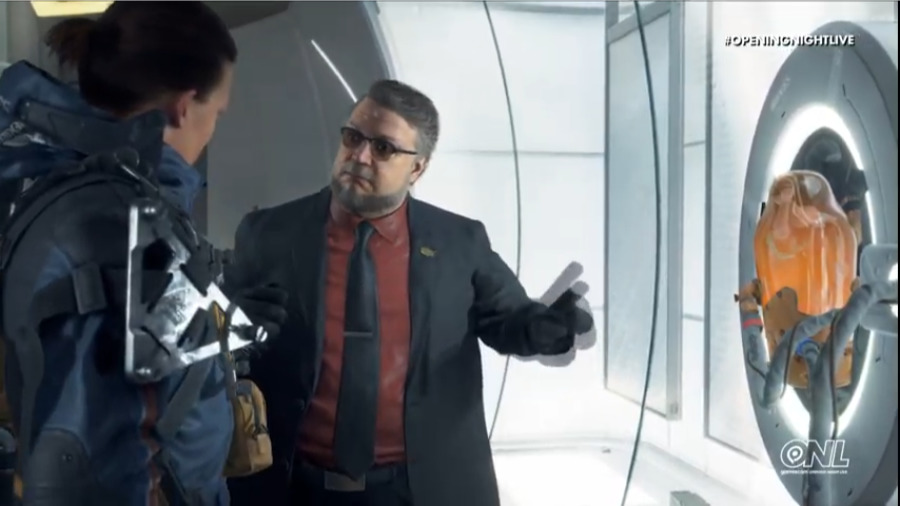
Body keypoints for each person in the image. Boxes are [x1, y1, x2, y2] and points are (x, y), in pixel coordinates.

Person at [225, 79, 594, 506]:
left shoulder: (459, 243)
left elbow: (509, 319)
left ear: (417, 168)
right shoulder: (268, 235)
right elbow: (212, 341)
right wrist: (229, 325)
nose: (359, 156)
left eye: (383, 148)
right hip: (289, 487)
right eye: (353, 137)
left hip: (424, 489)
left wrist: (549, 328)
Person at [0, 3, 286, 505]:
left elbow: (128, 365)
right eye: (217, 113)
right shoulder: (117, 224)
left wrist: (214, 320)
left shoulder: (74, 187)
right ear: (184, 105)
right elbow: (80, 451)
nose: (212, 129)